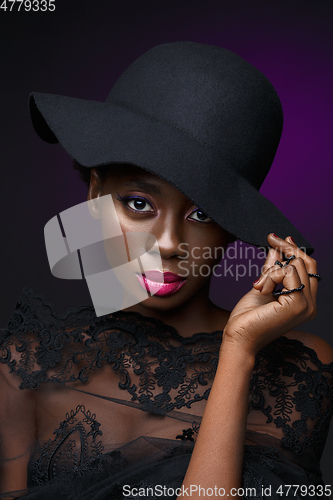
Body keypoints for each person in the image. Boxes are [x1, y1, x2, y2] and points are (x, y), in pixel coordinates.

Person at [0, 42, 332, 500]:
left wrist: (238, 353)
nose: (170, 243)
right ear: (95, 191)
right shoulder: (23, 368)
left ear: (234, 226)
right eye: (139, 204)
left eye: (202, 214)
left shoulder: (299, 376)